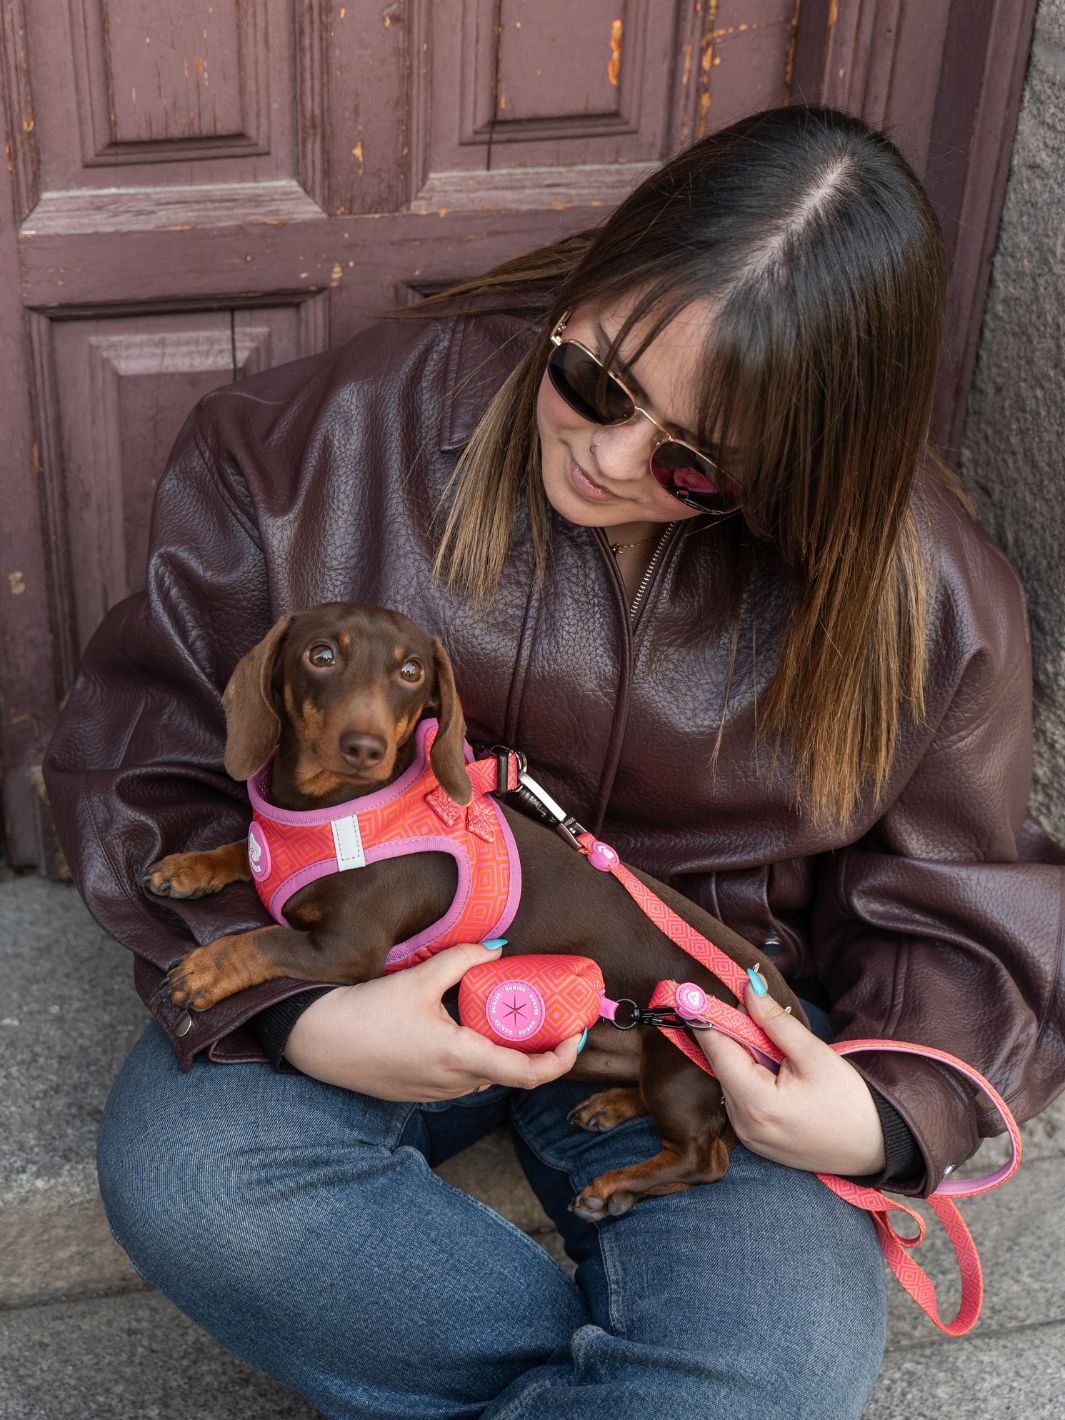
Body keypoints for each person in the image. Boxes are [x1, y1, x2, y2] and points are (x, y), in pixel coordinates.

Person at [43, 104, 1065, 1420]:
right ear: (587, 280)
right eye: (594, 383)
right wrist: (306, 1013)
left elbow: (960, 899)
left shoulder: (925, 597)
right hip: (366, 956)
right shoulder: (323, 443)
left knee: (772, 1368)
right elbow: (163, 749)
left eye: (695, 468)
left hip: (690, 1026)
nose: (608, 456)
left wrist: (879, 1113)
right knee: (201, 1188)